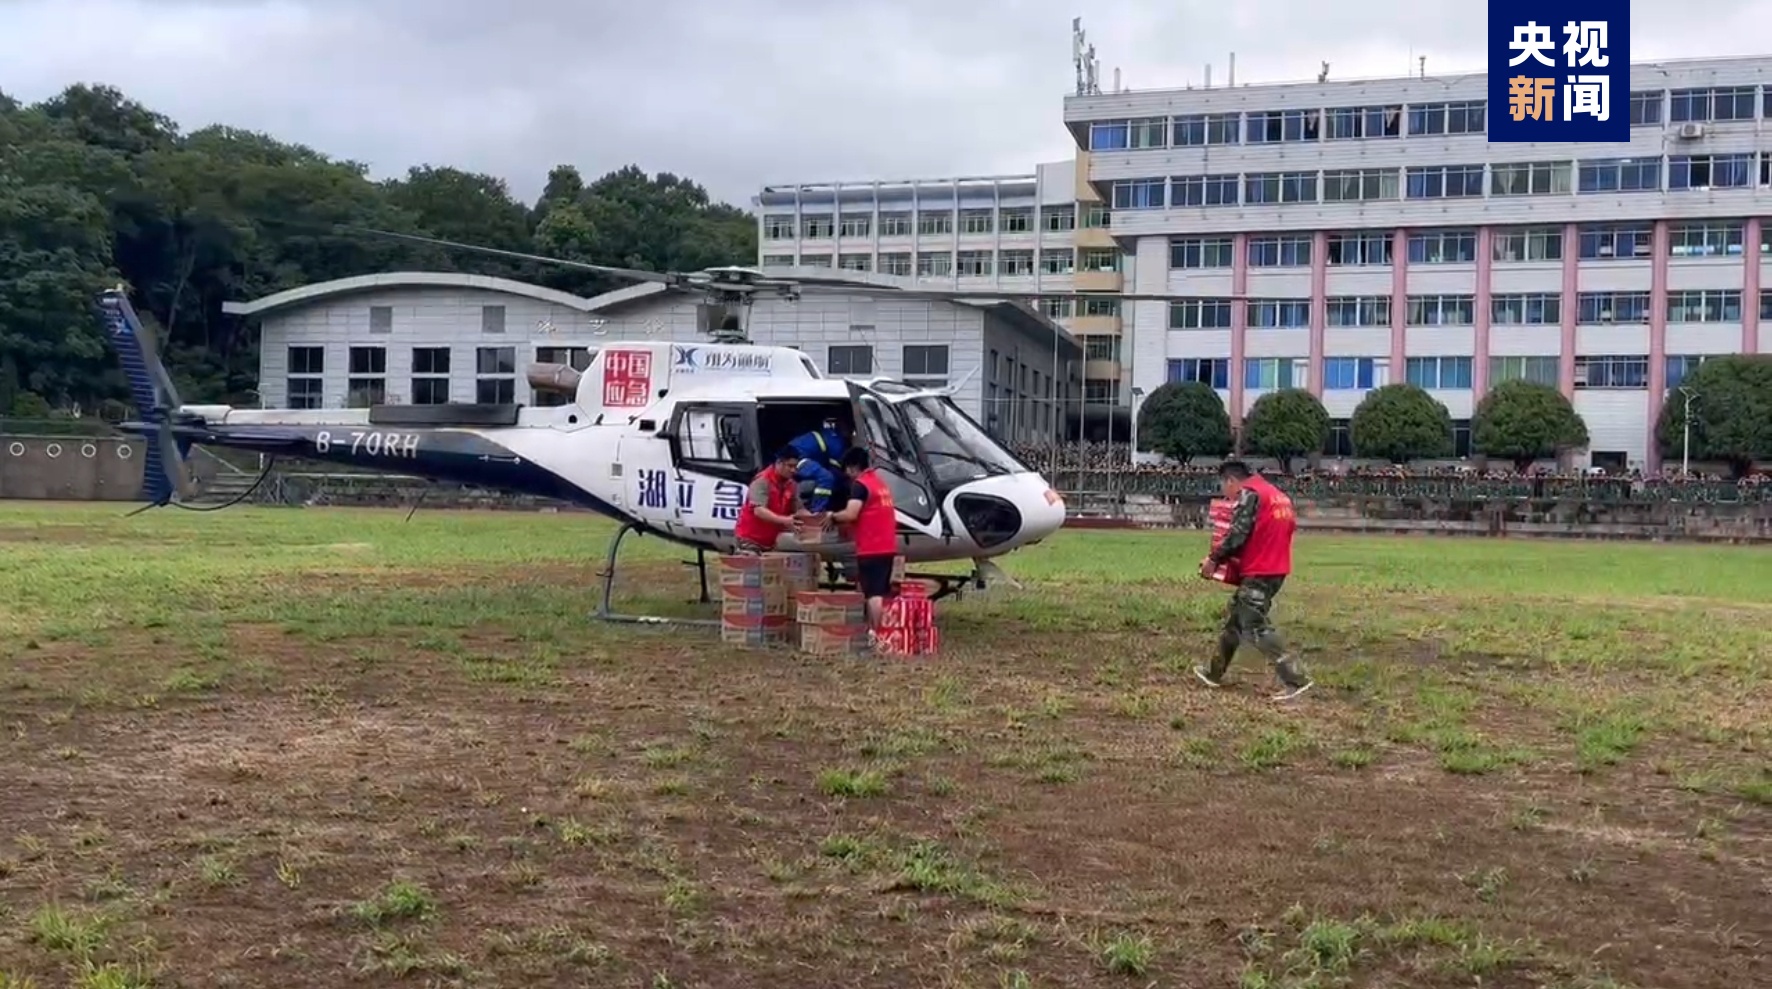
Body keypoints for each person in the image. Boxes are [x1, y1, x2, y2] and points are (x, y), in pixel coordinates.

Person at [1196, 460, 1313, 701]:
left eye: (1224, 487)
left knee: (1255, 625)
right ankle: (1214, 672)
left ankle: (1296, 679)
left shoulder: (1250, 494)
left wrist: (1214, 559)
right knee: (1236, 620)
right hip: (1276, 567)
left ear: (1231, 481)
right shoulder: (1276, 495)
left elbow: (1238, 533)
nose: (1226, 495)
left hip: (1261, 569)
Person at [829, 446, 897, 631]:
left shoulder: (860, 485)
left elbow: (851, 513)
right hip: (887, 545)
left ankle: (877, 632)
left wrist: (832, 517)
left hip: (871, 546)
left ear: (852, 467)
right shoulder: (879, 483)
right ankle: (880, 630)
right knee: (881, 590)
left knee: (873, 593)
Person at [732, 446, 812, 553]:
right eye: (790, 466)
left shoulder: (791, 484)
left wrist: (814, 519)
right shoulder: (762, 481)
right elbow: (759, 511)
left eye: (795, 467)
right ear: (779, 463)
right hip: (749, 540)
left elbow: (799, 509)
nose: (793, 470)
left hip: (771, 542)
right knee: (753, 562)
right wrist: (785, 520)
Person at [786, 418, 849, 511]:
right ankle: (817, 511)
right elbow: (836, 471)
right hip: (796, 458)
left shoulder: (829, 434)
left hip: (795, 455)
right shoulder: (836, 441)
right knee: (826, 477)